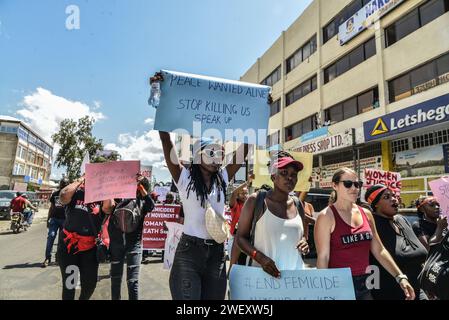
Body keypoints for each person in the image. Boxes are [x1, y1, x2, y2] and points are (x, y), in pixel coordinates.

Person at [159, 132, 247, 300]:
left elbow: (241, 154)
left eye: (220, 154)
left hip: (217, 253)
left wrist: (252, 126)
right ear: (198, 157)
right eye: (211, 153)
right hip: (189, 252)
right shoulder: (184, 177)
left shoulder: (222, 178)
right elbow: (166, 141)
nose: (217, 158)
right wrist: (163, 123)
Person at [314, 167, 415, 300]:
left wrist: (400, 277)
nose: (354, 188)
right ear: (335, 185)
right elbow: (323, 257)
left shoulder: (366, 213)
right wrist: (324, 293)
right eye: (348, 184)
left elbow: (379, 250)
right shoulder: (326, 216)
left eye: (357, 184)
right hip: (339, 285)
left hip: (366, 283)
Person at [236, 151, 310, 277]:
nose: (290, 178)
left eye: (294, 174)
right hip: (262, 280)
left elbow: (302, 236)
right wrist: (260, 258)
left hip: (294, 279)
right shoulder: (256, 201)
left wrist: (304, 243)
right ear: (273, 177)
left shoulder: (298, 205)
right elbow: (240, 239)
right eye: (284, 173)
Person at [365, 185, 428, 300]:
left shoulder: (402, 219)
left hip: (418, 289)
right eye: (387, 197)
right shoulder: (372, 224)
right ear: (376, 204)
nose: (394, 199)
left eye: (394, 195)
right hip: (390, 292)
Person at [57, 176, 113, 300]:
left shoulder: (101, 196)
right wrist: (80, 179)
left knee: (89, 284)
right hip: (69, 248)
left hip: (90, 249)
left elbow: (108, 208)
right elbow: (63, 196)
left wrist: (106, 187)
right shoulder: (76, 192)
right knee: (69, 285)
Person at [109, 174, 155, 300]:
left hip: (134, 245)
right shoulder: (117, 198)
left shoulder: (142, 202)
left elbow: (151, 206)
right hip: (117, 244)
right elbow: (107, 210)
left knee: (132, 281)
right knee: (115, 280)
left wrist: (141, 187)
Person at [42, 178, 70, 268]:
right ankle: (47, 258)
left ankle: (58, 257)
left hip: (65, 220)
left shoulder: (70, 195)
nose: (64, 185)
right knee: (51, 236)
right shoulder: (55, 194)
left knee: (61, 240)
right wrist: (48, 219)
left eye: (65, 184)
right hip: (54, 219)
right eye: (62, 183)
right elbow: (52, 208)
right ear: (60, 184)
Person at [228, 175, 252, 268]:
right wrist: (247, 182)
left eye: (246, 193)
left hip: (246, 240)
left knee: (244, 265)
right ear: (238, 195)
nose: (245, 195)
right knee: (235, 265)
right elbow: (233, 193)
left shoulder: (251, 205)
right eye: (242, 193)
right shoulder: (235, 205)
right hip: (235, 239)